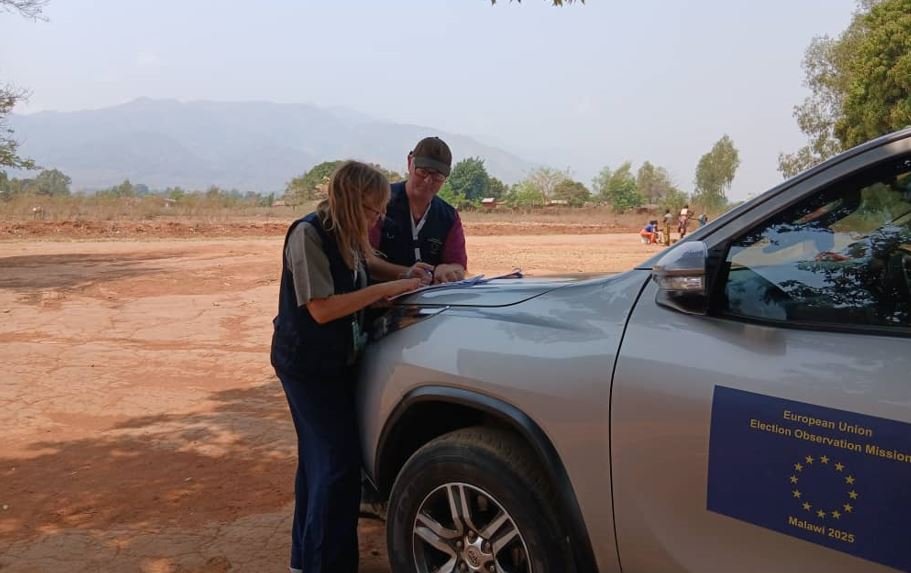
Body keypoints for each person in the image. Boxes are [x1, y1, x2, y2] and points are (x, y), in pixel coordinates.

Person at [270, 161, 423, 573]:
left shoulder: (345, 233)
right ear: (353, 203)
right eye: (374, 211)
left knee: (318, 461)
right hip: (306, 362)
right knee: (337, 464)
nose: (378, 219)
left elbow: (365, 265)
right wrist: (387, 289)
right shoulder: (308, 234)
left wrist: (407, 275)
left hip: (333, 359)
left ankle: (305, 560)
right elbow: (321, 309)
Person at [369, 136, 467, 284]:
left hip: (429, 303)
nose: (428, 181)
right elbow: (364, 260)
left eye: (438, 176)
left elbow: (458, 265)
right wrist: (405, 274)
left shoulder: (449, 216)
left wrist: (449, 270)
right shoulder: (378, 201)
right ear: (410, 162)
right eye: (422, 172)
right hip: (380, 301)